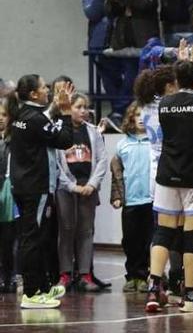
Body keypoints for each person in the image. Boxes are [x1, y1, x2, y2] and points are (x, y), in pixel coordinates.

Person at [145, 60, 193, 313]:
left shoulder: (164, 105)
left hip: (168, 174)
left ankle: (154, 288)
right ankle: (190, 296)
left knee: (163, 232)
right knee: (192, 236)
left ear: (177, 81)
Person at [8, 76, 74, 308]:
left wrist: (54, 106)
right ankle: (32, 293)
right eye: (44, 87)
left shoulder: (20, 115)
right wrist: (65, 112)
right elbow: (65, 140)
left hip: (23, 184)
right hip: (36, 186)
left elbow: (41, 124)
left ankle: (43, 286)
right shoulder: (35, 120)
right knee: (32, 239)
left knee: (34, 236)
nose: (48, 90)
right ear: (34, 94)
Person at [133, 63, 186, 304]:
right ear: (168, 86)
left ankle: (159, 281)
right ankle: (173, 281)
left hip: (155, 171)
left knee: (164, 229)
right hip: (172, 169)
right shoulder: (168, 106)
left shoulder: (145, 104)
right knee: (176, 231)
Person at [55, 93, 108, 292]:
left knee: (86, 231)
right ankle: (65, 273)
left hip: (88, 186)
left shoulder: (93, 132)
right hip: (67, 187)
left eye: (86, 107)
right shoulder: (60, 130)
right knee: (66, 229)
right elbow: (57, 164)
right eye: (78, 107)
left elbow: (102, 160)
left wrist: (92, 184)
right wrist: (71, 186)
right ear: (70, 108)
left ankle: (85, 274)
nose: (84, 111)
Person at [110, 102, 154, 293]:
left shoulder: (154, 143)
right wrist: (117, 196)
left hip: (150, 199)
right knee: (129, 240)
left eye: (145, 115)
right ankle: (132, 275)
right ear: (131, 118)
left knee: (147, 240)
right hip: (130, 200)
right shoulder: (122, 145)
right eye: (137, 115)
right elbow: (116, 174)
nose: (141, 119)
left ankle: (144, 275)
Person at [83, 0, 128, 122]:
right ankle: (118, 113)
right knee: (108, 80)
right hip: (99, 42)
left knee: (129, 77)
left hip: (123, 41)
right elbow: (91, 13)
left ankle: (119, 112)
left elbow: (127, 8)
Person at [0, 100, 14, 294]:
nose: (0, 119)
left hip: (9, 194)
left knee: (8, 238)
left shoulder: (14, 141)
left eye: (3, 115)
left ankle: (9, 275)